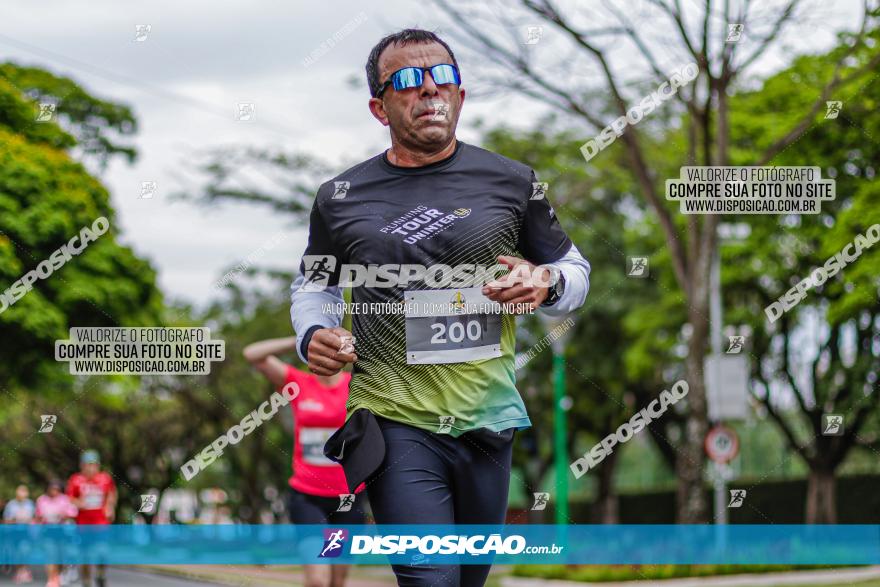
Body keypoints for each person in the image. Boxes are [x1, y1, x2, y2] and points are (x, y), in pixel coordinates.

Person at [289, 28, 590, 587]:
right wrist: (314, 334)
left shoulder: (512, 181)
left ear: (460, 95)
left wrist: (544, 282)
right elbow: (314, 287)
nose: (428, 90)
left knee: (467, 581)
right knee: (431, 579)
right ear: (380, 108)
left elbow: (576, 272)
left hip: (486, 418)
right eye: (406, 80)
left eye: (441, 76)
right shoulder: (341, 197)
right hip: (393, 417)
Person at [243, 336, 366, 587]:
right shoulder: (298, 383)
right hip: (308, 497)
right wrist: (302, 338)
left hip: (348, 499)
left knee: (336, 581)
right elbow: (252, 352)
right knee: (318, 579)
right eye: (321, 349)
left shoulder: (356, 384)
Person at [66, 451, 116, 587]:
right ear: (82, 466)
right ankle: (87, 582)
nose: (90, 468)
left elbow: (112, 493)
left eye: (93, 465)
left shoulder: (105, 478)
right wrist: (78, 503)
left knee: (103, 552)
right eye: (87, 465)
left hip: (101, 523)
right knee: (85, 557)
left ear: (98, 466)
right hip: (83, 525)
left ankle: (100, 575)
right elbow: (69, 498)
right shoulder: (76, 480)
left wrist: (110, 507)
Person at [35, 480, 78, 587]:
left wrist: (64, 515)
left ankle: (59, 575)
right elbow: (38, 515)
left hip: (62, 530)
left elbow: (73, 512)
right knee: (50, 555)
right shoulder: (41, 500)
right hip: (48, 530)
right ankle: (51, 579)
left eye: (56, 489)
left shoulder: (64, 499)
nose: (54, 491)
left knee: (61, 555)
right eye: (52, 489)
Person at [3, 485, 35, 584]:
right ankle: (19, 572)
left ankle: (25, 571)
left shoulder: (30, 504)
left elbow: (35, 518)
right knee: (16, 551)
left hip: (27, 531)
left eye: (24, 491)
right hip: (15, 531)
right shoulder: (11, 504)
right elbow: (6, 520)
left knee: (25, 550)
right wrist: (14, 520)